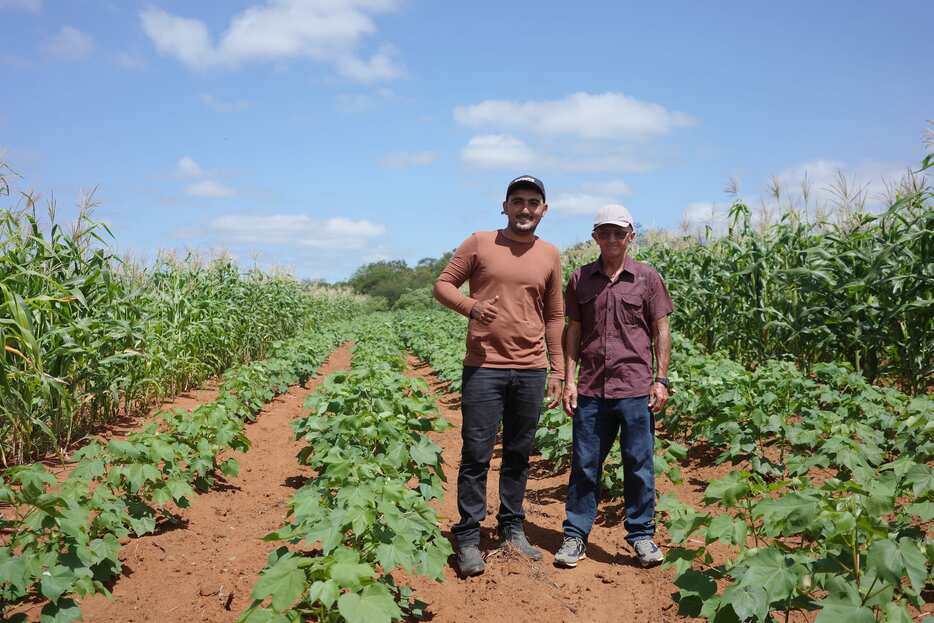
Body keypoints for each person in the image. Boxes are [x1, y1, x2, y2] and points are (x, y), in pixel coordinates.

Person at [433, 175, 565, 577]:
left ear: (544, 210)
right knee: (476, 454)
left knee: (519, 454)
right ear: (504, 206)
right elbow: (442, 285)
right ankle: (469, 535)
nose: (525, 209)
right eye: (518, 201)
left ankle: (511, 528)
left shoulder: (550, 254)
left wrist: (558, 368)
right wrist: (470, 307)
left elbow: (555, 315)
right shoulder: (479, 242)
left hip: (530, 370)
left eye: (533, 203)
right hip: (484, 367)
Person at [554, 203, 673, 568]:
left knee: (638, 464)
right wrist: (569, 381)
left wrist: (661, 379)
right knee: (585, 464)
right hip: (590, 389)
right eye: (603, 232)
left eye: (618, 232)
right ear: (594, 237)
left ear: (630, 236)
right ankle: (575, 536)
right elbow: (573, 330)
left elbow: (661, 331)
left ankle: (641, 536)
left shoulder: (647, 278)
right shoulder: (579, 279)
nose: (611, 238)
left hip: (635, 388)